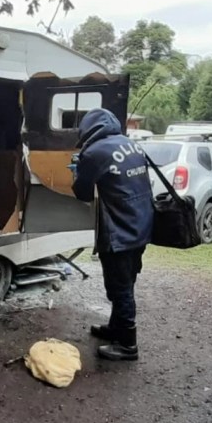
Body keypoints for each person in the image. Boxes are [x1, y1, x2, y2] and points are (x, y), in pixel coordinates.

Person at [70, 108, 154, 361]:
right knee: (125, 281)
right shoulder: (131, 144)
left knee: (120, 287)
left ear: (87, 129)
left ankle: (128, 344)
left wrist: (77, 170)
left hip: (119, 228)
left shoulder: (95, 152)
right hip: (142, 224)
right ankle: (116, 328)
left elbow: (82, 193)